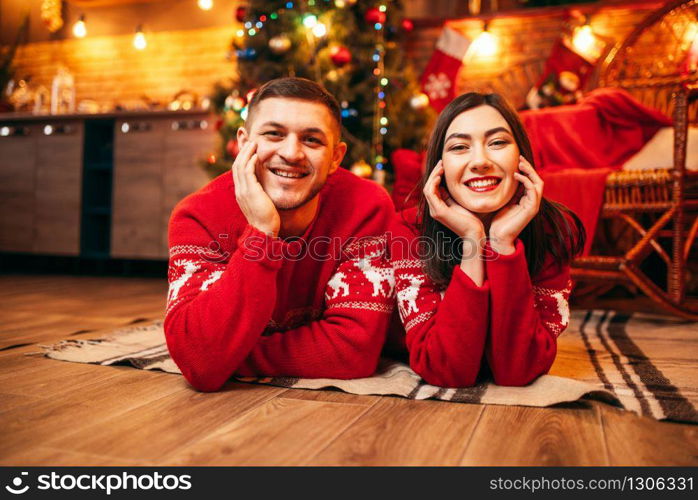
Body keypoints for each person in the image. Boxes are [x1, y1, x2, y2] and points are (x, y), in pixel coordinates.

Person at [164, 77, 396, 392]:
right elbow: (200, 363)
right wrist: (261, 233)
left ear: (336, 158)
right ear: (243, 144)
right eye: (274, 134)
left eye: (312, 140)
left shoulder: (367, 207)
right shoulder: (198, 216)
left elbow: (353, 350)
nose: (291, 153)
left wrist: (231, 355)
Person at [388, 92, 585, 388]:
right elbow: (446, 371)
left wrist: (503, 244)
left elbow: (519, 372)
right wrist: (473, 242)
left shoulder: (550, 231)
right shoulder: (409, 230)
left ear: (522, 157)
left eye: (497, 143)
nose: (480, 161)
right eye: (459, 147)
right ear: (439, 167)